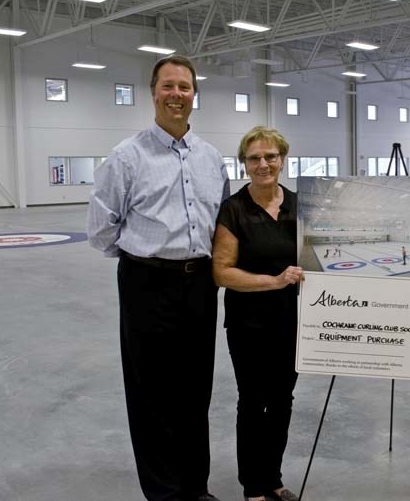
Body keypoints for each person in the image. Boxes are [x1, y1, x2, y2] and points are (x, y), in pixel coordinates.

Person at [87, 55, 229, 501]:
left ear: (194, 95)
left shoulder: (211, 159)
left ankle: (195, 486)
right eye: (168, 86)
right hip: (147, 282)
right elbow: (102, 228)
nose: (176, 95)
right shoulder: (127, 157)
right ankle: (165, 493)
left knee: (195, 390)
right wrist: (142, 261)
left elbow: (218, 222)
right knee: (151, 394)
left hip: (200, 285)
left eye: (184, 87)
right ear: (153, 93)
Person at [212, 126, 304, 501]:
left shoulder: (299, 205)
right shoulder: (234, 209)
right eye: (254, 158)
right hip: (249, 322)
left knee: (282, 400)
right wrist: (275, 281)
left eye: (270, 156)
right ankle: (253, 485)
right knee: (253, 401)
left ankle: (274, 478)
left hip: (290, 321)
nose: (263, 164)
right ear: (244, 164)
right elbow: (221, 272)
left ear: (282, 159)